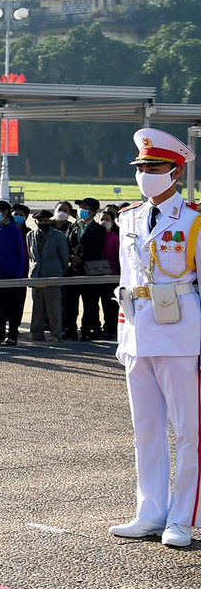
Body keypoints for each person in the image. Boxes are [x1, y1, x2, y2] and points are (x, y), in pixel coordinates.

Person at [109, 128, 200, 549]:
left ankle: (182, 518)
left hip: (182, 333)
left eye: (154, 166)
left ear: (176, 172)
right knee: (144, 428)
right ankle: (150, 512)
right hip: (137, 333)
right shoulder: (128, 217)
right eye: (141, 167)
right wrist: (123, 333)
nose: (145, 173)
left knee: (188, 431)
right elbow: (128, 281)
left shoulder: (195, 220)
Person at [0, 201, 28, 346]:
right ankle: (0, 334)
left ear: (5, 212)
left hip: (11, 274)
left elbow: (20, 254)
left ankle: (12, 335)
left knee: (13, 307)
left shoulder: (14, 230)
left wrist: (18, 275)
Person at [68, 197, 109, 341]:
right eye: (80, 207)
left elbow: (96, 249)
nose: (81, 210)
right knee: (70, 302)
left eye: (85, 207)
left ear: (92, 211)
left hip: (88, 269)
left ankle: (86, 329)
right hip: (72, 270)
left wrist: (81, 258)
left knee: (90, 302)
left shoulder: (99, 229)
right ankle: (71, 330)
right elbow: (67, 243)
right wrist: (70, 258)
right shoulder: (74, 226)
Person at [27, 209, 69, 342]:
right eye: (40, 221)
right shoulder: (30, 235)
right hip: (37, 274)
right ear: (36, 222)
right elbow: (31, 254)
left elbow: (63, 255)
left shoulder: (58, 236)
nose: (43, 223)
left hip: (53, 273)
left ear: (49, 221)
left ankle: (56, 333)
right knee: (37, 305)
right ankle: (36, 332)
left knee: (53, 306)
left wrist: (62, 272)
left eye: (45, 221)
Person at [100, 206, 121, 340]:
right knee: (103, 303)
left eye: (107, 219)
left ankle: (112, 328)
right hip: (98, 273)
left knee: (111, 305)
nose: (104, 221)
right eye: (102, 219)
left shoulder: (114, 237)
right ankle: (106, 327)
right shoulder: (97, 234)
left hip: (112, 273)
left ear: (113, 222)